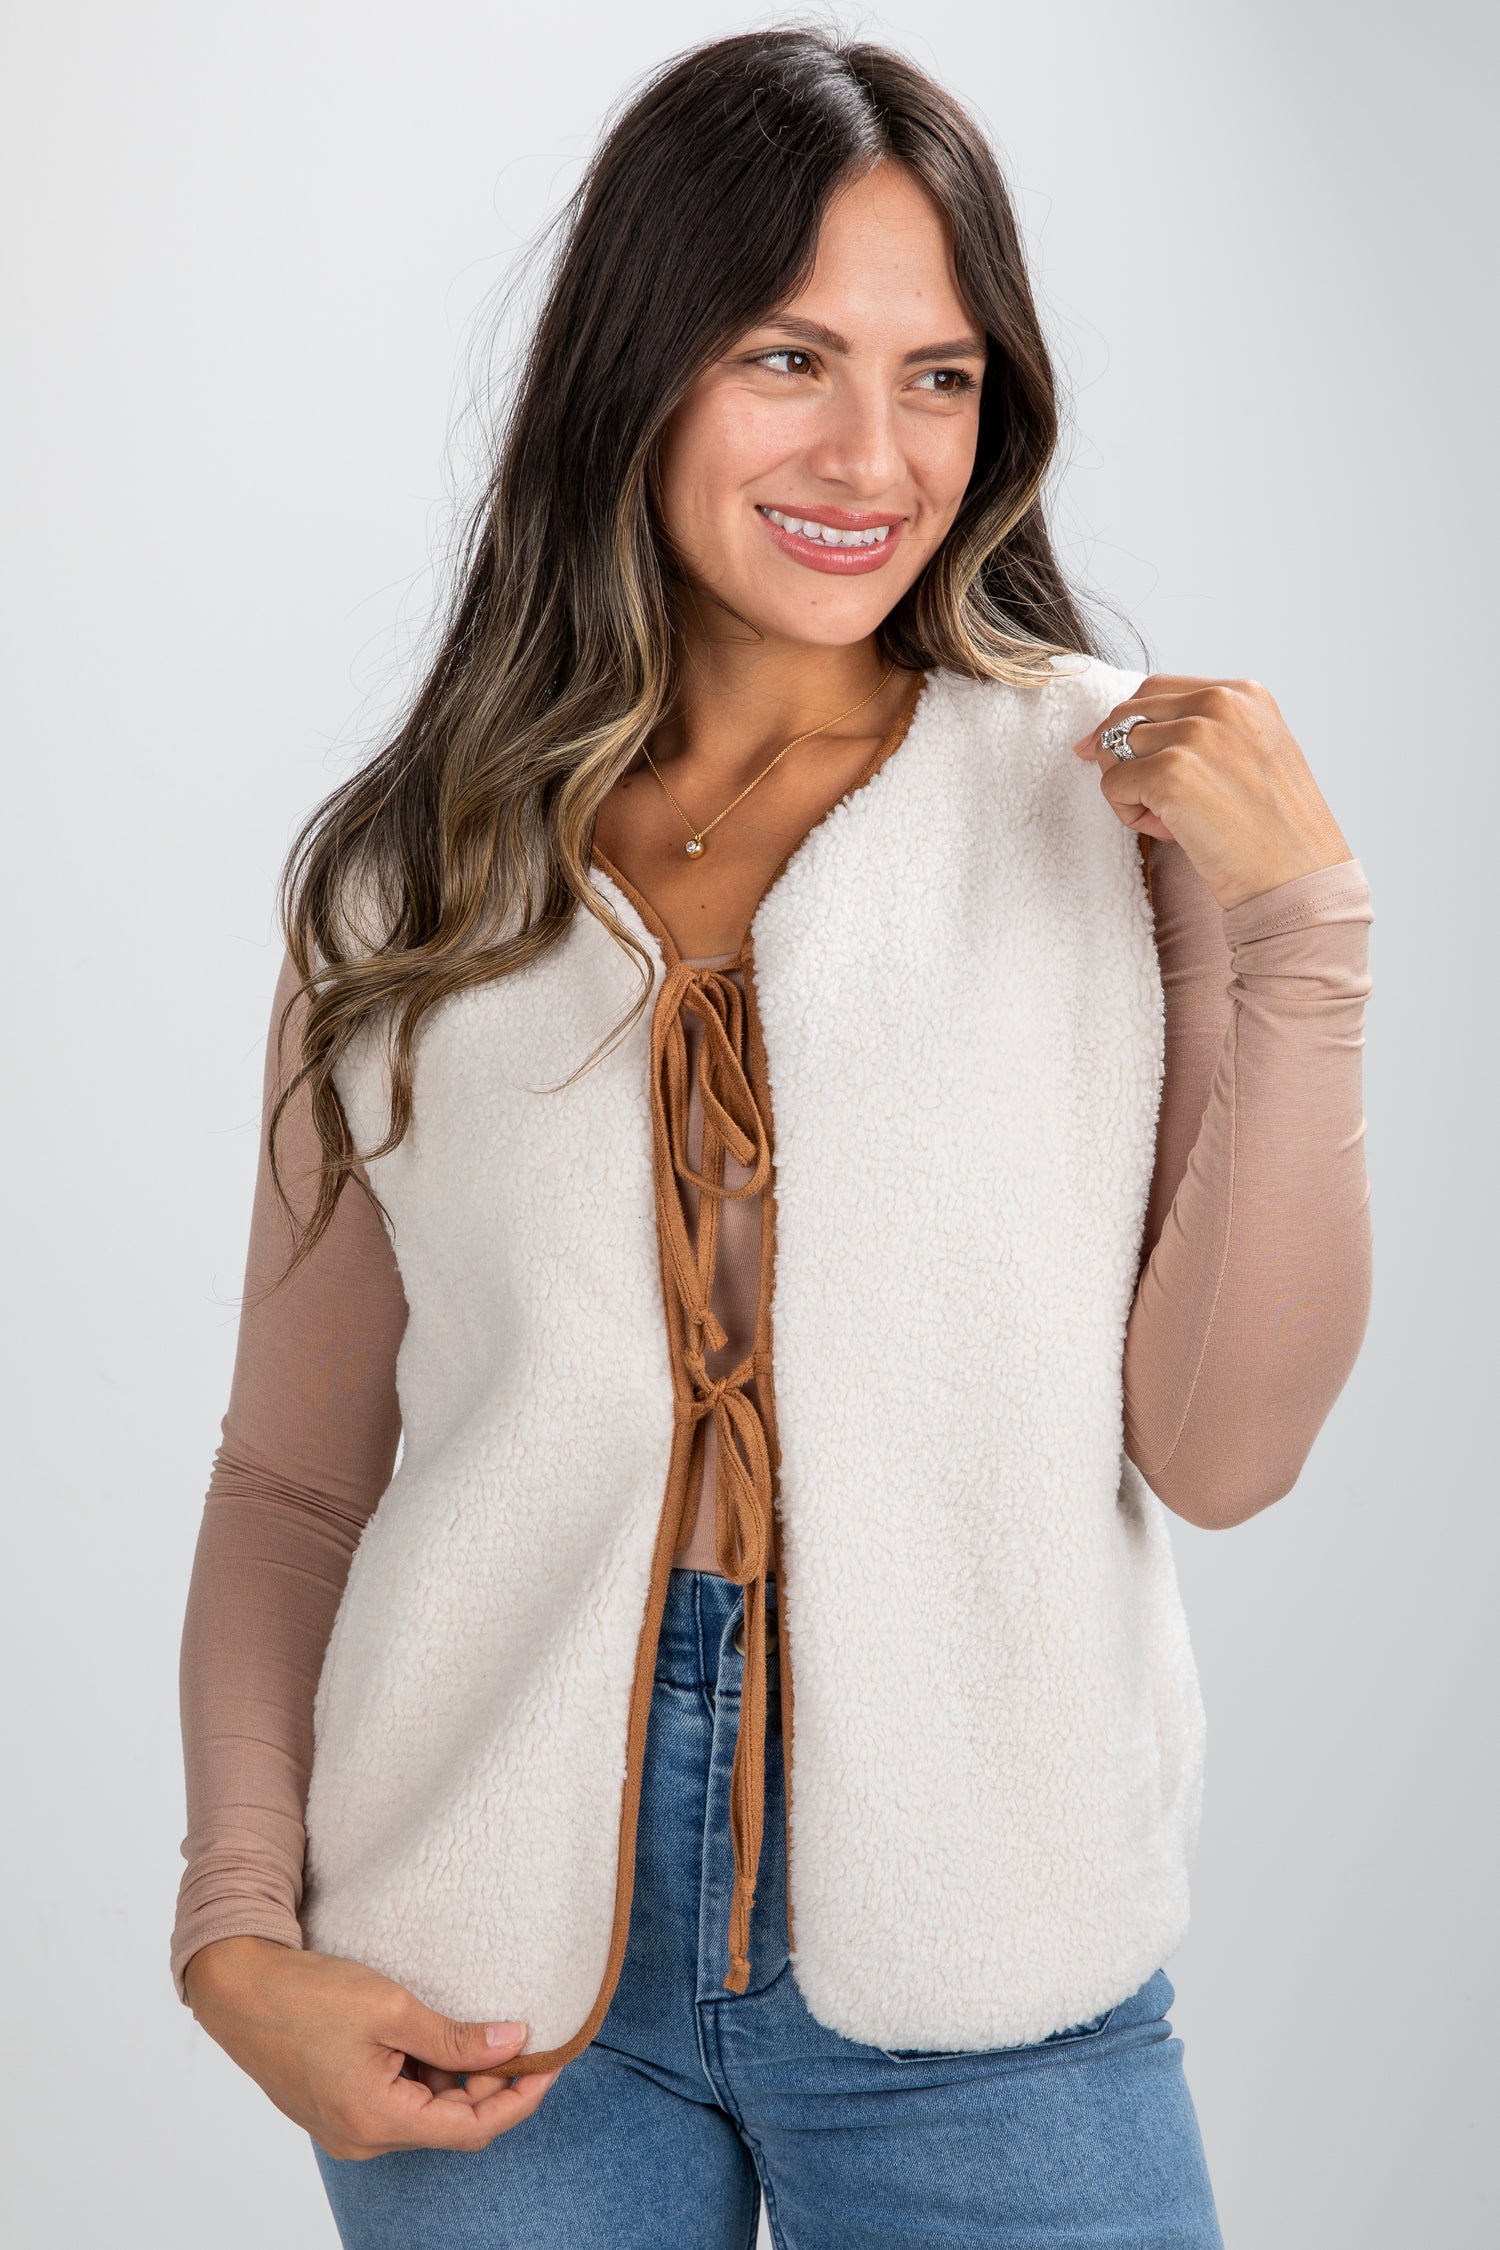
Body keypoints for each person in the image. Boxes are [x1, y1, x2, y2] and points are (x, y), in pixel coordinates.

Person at [173, 29, 1373, 2248]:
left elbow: (1220, 1453)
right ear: (636, 372)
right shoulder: (407, 877)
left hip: (991, 1960)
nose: (872, 452)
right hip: (475, 1985)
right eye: (788, 355)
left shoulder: (1118, 807)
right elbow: (296, 1471)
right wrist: (239, 1930)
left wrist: (1305, 943)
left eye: (942, 376)